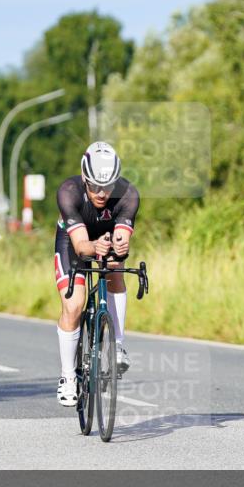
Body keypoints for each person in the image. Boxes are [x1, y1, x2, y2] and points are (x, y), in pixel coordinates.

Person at [54, 142, 140, 406]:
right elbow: (81, 246)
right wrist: (94, 247)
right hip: (74, 242)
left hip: (105, 238)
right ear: (84, 177)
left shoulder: (128, 195)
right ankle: (68, 377)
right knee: (75, 304)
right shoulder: (69, 192)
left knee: (115, 268)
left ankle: (118, 345)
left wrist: (120, 245)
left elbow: (122, 237)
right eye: (94, 186)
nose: (102, 193)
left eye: (108, 186)